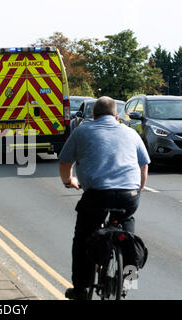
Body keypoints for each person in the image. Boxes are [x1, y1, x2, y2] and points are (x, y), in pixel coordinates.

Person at [58, 96, 151, 300]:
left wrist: (68, 181)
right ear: (116, 114)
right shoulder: (130, 132)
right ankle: (129, 282)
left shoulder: (82, 131)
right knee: (128, 234)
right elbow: (144, 165)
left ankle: (81, 289)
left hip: (97, 194)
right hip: (129, 195)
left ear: (93, 114)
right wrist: (139, 189)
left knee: (83, 237)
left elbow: (65, 162)